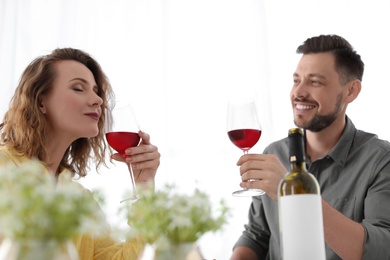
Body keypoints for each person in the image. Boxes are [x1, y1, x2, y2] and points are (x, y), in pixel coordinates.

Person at [230, 34, 390, 259]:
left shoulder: (380, 160)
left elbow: (380, 251)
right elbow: (256, 236)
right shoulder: (274, 154)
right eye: (296, 80)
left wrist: (294, 195)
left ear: (351, 91)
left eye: (315, 81)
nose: (298, 92)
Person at [0, 48, 161, 259]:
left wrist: (144, 187)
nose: (98, 100)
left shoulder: (81, 199)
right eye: (78, 88)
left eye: (96, 91)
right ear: (41, 102)